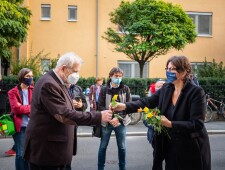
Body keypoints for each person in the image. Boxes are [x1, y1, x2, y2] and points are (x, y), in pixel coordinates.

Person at [111, 56, 211, 170]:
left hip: (190, 148)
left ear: (184, 72)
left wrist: (170, 124)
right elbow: (147, 102)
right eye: (167, 69)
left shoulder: (196, 92)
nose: (169, 72)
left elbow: (197, 124)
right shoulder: (167, 88)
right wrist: (124, 106)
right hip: (170, 146)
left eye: (172, 69)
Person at [23, 52, 112, 170]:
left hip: (56, 151)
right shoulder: (49, 84)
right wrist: (98, 116)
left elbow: (66, 109)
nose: (77, 75)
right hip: (48, 153)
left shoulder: (59, 82)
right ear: (64, 68)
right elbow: (63, 114)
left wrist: (79, 107)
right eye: (75, 71)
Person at [98, 67, 132, 170]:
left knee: (122, 147)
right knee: (103, 146)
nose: (118, 78)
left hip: (120, 123)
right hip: (107, 123)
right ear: (110, 76)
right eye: (116, 76)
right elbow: (100, 106)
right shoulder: (104, 89)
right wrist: (109, 119)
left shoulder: (125, 89)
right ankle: (100, 168)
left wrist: (118, 118)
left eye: (120, 76)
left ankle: (122, 167)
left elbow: (129, 106)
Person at [8, 68, 34, 170]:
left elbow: (37, 107)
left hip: (32, 126)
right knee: (20, 154)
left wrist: (23, 107)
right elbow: (16, 109)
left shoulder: (34, 90)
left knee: (30, 154)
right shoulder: (12, 92)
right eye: (28, 76)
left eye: (31, 76)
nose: (30, 78)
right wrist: (30, 108)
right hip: (20, 127)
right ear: (21, 77)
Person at [65, 81, 87, 170]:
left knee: (69, 150)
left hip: (73, 122)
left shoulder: (77, 88)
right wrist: (70, 105)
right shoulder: (58, 86)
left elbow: (85, 103)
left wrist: (81, 105)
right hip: (62, 122)